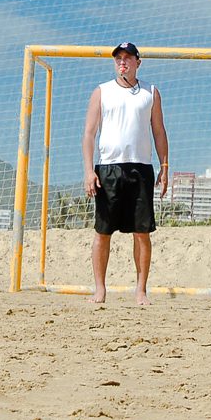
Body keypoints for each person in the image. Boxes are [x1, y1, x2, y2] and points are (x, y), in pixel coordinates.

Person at [81, 42, 169, 304]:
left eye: (128, 58)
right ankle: (100, 289)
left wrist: (164, 167)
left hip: (140, 167)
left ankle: (140, 290)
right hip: (108, 167)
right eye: (119, 58)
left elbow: (159, 131)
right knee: (102, 231)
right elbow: (89, 133)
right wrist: (88, 171)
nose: (123, 62)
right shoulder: (102, 91)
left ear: (137, 63)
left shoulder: (150, 93)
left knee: (141, 232)